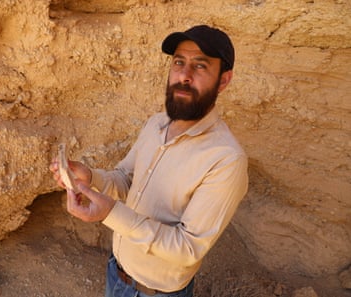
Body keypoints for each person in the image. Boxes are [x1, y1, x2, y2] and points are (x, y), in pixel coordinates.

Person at [50, 24, 248, 297]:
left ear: (224, 81)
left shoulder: (226, 159)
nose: (185, 75)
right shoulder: (157, 123)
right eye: (179, 62)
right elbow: (127, 179)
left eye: (200, 66)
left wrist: (110, 213)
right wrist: (91, 177)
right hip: (116, 273)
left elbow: (187, 248)